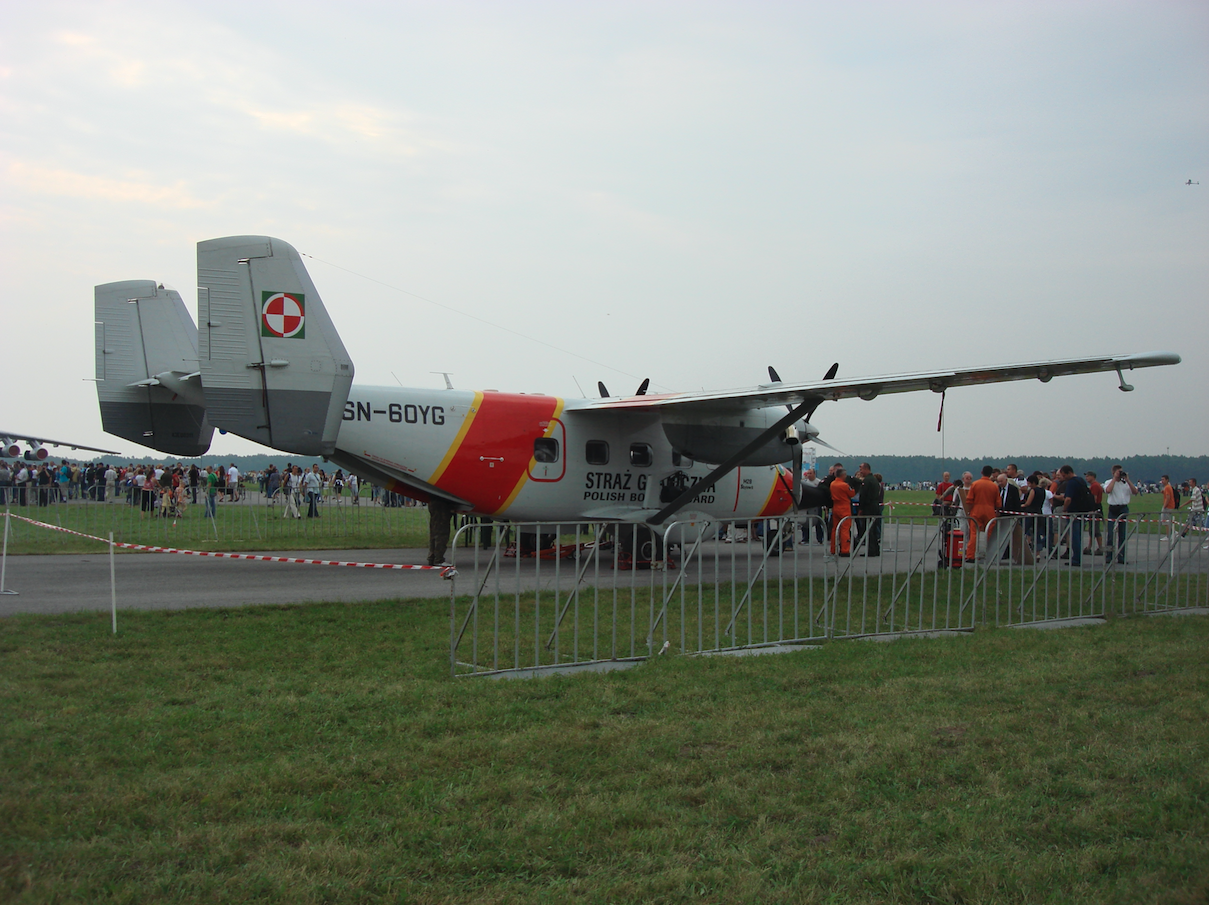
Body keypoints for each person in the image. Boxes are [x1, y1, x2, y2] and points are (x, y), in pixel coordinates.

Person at [1057, 465, 1095, 565]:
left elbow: (1068, 498)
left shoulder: (1071, 483)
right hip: (1082, 511)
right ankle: (1077, 557)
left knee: (1074, 536)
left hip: (1074, 512)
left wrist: (1065, 509)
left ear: (1069, 473)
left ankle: (1076, 559)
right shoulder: (1081, 480)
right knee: (1078, 535)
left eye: (1064, 475)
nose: (1064, 478)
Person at [1102, 464, 1135, 564]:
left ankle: (1121, 557)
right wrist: (1114, 479)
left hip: (1123, 508)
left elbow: (1135, 491)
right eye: (1118, 472)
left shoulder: (1125, 483)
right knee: (1111, 535)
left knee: (1122, 534)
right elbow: (1108, 490)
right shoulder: (1108, 482)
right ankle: (1109, 556)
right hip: (1113, 508)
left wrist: (1128, 480)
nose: (1120, 474)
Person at [828, 466, 856, 557]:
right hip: (844, 507)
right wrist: (853, 487)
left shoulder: (832, 484)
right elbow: (851, 494)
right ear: (843, 475)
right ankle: (845, 549)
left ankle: (833, 548)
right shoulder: (844, 485)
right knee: (845, 529)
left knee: (835, 528)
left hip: (835, 507)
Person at [855, 462, 882, 556]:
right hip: (874, 506)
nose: (860, 471)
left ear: (866, 469)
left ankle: (871, 550)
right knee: (873, 528)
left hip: (868, 507)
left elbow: (863, 496)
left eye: (861, 469)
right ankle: (876, 549)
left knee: (868, 529)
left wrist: (860, 508)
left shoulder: (867, 481)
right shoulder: (874, 480)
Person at [427, 495, 454, 566]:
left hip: (435, 500)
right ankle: (438, 558)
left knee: (434, 531)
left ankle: (432, 557)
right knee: (442, 532)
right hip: (442, 502)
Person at [1159, 474, 1181, 541]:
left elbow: (1168, 497)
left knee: (1166, 521)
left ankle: (1168, 536)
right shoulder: (1167, 487)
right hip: (1170, 506)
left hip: (1168, 506)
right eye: (1161, 479)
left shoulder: (1167, 487)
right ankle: (1174, 532)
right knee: (1167, 520)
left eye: (1163, 479)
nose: (1162, 481)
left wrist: (1165, 506)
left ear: (1167, 480)